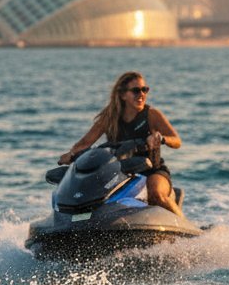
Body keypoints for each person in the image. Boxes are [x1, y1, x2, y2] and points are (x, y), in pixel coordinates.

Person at [59, 71, 184, 217]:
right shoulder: (110, 117)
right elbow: (86, 142)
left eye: (145, 90)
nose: (141, 94)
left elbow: (177, 141)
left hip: (152, 170)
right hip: (119, 172)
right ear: (123, 95)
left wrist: (161, 138)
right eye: (136, 90)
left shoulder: (152, 115)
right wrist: (71, 154)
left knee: (156, 193)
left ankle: (190, 230)